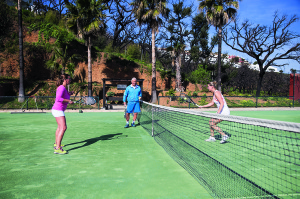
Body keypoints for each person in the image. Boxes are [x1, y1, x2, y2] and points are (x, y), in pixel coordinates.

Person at [52, 74, 74, 154]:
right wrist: (69, 101)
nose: (70, 80)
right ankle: (58, 148)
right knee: (63, 127)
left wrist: (69, 94)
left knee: (59, 127)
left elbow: (64, 96)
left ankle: (56, 143)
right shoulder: (61, 87)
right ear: (65, 80)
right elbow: (58, 99)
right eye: (69, 79)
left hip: (56, 109)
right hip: (58, 110)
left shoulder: (63, 88)